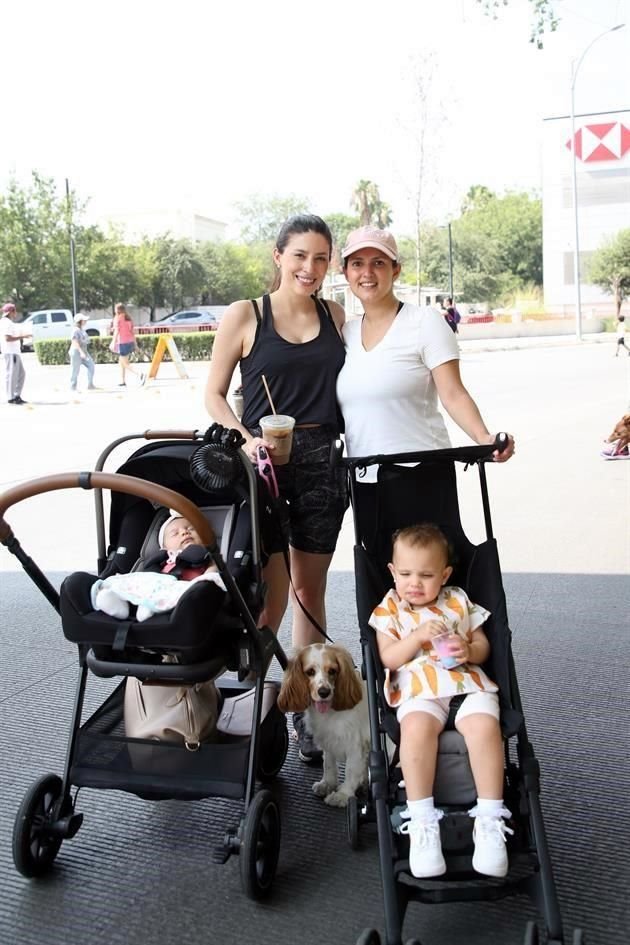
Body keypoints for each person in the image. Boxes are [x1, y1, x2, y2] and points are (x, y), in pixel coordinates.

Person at [204, 214, 347, 763]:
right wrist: (244, 439)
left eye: (320, 258)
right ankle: (260, 706)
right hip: (262, 462)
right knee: (269, 598)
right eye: (300, 256)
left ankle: (310, 709)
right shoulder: (247, 315)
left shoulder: (335, 315)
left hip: (322, 466)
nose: (310, 268)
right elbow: (215, 395)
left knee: (311, 596)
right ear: (278, 256)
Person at [369, 523, 512, 879]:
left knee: (485, 727)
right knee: (414, 729)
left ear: (445, 574)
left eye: (426, 574)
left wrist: (469, 648)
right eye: (405, 574)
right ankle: (421, 821)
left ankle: (490, 818)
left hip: (465, 682)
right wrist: (417, 636)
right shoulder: (390, 608)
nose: (414, 583)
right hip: (420, 688)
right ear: (392, 572)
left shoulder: (458, 599)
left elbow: (482, 646)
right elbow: (388, 658)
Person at [336, 225, 515, 492]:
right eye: (357, 264)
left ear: (396, 269)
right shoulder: (346, 333)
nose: (367, 273)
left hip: (421, 473)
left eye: (379, 263)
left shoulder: (424, 322)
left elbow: (453, 394)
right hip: (365, 478)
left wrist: (483, 437)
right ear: (346, 272)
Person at [91, 514, 224, 621]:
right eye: (175, 533)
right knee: (132, 581)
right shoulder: (161, 560)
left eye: (191, 529)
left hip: (186, 592)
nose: (184, 533)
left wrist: (206, 580)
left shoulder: (207, 557)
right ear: (164, 546)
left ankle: (150, 606)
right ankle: (119, 603)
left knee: (197, 588)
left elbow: (212, 573)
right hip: (157, 585)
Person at [1, 302, 31, 405]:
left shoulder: (6, 322)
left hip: (13, 352)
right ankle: (11, 397)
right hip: (11, 352)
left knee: (21, 374)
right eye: (15, 311)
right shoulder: (7, 323)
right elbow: (7, 338)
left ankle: (16, 395)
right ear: (11, 312)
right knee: (12, 375)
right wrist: (22, 337)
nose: (16, 313)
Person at [111, 303, 145, 386]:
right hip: (129, 342)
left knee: (125, 363)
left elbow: (117, 332)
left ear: (117, 310)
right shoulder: (128, 319)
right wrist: (135, 345)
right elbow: (132, 333)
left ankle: (140, 374)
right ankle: (122, 381)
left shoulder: (117, 319)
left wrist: (113, 342)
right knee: (121, 362)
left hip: (122, 342)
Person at [69, 313, 97, 391]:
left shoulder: (82, 330)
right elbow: (75, 342)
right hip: (76, 352)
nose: (86, 321)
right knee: (75, 370)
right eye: (84, 320)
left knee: (91, 366)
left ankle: (90, 384)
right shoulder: (75, 330)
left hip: (84, 352)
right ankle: (73, 387)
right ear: (80, 321)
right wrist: (81, 352)